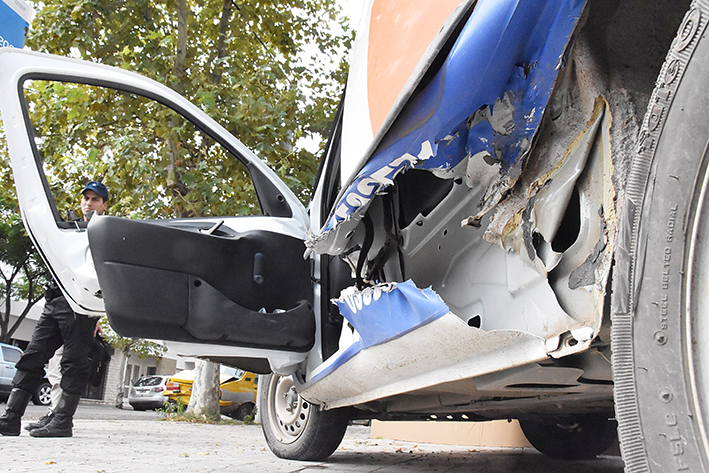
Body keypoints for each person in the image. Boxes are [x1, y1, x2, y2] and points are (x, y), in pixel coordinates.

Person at [0, 181, 109, 437]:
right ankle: (10, 418)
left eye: (95, 200)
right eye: (86, 198)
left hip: (81, 304)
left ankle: (62, 421)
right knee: (32, 357)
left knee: (73, 364)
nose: (89, 203)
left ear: (104, 204)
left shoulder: (106, 231)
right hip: (56, 300)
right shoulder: (67, 228)